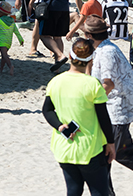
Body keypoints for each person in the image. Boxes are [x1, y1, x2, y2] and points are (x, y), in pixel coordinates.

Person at [81, 15, 133, 192]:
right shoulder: (102, 49)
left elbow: (108, 83)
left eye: (85, 34)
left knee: (117, 152)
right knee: (113, 152)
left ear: (90, 36)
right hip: (113, 107)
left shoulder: (107, 52)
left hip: (118, 108)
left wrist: (89, 104)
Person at [43, 37, 116, 196]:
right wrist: (111, 143)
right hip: (90, 149)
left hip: (64, 148)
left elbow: (47, 111)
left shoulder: (56, 82)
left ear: (70, 56)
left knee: (73, 191)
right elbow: (103, 118)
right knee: (100, 191)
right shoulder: (93, 84)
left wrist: (60, 126)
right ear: (91, 59)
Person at [0, 1, 23, 74]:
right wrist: (21, 40)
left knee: (4, 55)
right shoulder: (12, 21)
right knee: (3, 56)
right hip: (9, 42)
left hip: (2, 42)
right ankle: (1, 68)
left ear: (1, 13)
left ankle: (10, 66)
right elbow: (17, 32)